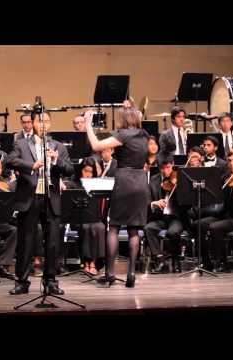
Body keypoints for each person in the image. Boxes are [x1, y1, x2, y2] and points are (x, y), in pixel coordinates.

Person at [84, 101, 149, 288]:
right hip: (140, 181)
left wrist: (88, 124)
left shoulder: (122, 135)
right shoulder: (144, 135)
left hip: (124, 181)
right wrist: (133, 106)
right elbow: (137, 118)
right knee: (134, 229)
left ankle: (111, 273)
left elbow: (96, 145)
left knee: (113, 227)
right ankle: (130, 274)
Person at [7, 111, 73, 295]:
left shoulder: (58, 146)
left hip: (51, 197)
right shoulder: (21, 143)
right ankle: (22, 281)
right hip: (30, 196)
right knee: (26, 241)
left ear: (50, 124)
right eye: (40, 121)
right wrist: (31, 166)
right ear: (34, 123)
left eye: (46, 121)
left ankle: (50, 281)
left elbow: (69, 169)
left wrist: (56, 160)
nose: (43, 124)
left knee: (52, 242)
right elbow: (9, 161)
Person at [193, 149, 233, 272]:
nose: (232, 163)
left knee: (215, 227)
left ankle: (222, 262)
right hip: (224, 215)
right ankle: (206, 262)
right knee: (198, 224)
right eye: (229, 160)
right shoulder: (226, 177)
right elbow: (217, 196)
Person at [64, 157, 105, 275]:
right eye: (86, 171)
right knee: (86, 227)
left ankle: (94, 262)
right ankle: (86, 262)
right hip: (78, 219)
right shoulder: (73, 184)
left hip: (94, 219)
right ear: (80, 170)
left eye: (91, 172)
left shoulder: (97, 185)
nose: (88, 174)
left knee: (100, 227)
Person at [143, 157, 184, 274]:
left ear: (173, 165)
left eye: (168, 167)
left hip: (175, 218)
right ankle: (160, 260)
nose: (166, 171)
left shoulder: (180, 179)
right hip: (160, 218)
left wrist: (178, 188)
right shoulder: (154, 180)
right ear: (159, 168)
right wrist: (154, 204)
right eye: (163, 168)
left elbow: (186, 203)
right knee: (148, 228)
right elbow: (147, 201)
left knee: (173, 232)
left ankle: (175, 261)